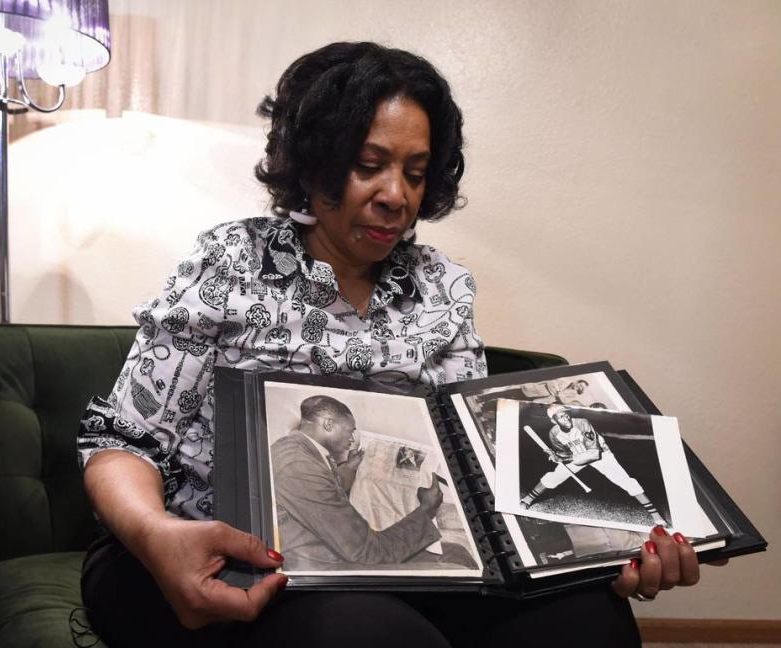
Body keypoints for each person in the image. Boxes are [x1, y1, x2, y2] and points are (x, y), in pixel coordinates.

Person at [77, 42, 707, 648]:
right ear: (315, 161)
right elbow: (121, 443)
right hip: (208, 554)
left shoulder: (443, 287)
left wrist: (602, 548)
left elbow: (476, 472)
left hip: (383, 567)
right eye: (368, 165)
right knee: (366, 630)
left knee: (587, 618)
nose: (396, 196)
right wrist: (157, 535)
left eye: (415, 172)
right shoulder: (231, 262)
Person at [271, 395, 443, 570]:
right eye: (350, 431)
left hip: (322, 550)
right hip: (322, 566)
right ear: (328, 424)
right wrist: (426, 510)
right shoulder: (299, 466)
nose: (352, 439)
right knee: (453, 563)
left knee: (454, 551)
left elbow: (322, 485)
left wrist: (350, 468)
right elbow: (369, 554)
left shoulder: (291, 447)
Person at [520, 405, 668, 527]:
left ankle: (656, 516)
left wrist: (565, 457)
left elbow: (593, 454)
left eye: (566, 414)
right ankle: (527, 500)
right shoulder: (554, 433)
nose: (566, 418)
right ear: (554, 421)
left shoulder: (582, 423)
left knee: (627, 482)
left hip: (601, 455)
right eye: (560, 416)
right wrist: (556, 456)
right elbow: (563, 454)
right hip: (576, 457)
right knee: (554, 477)